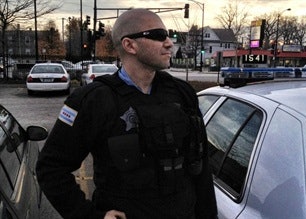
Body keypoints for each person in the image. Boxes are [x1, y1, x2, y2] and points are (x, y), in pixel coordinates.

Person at [36, 8, 217, 219]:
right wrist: (90, 216)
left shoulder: (182, 93)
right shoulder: (92, 100)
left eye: (168, 35)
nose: (169, 43)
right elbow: (51, 168)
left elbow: (201, 168)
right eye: (158, 36)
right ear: (130, 45)